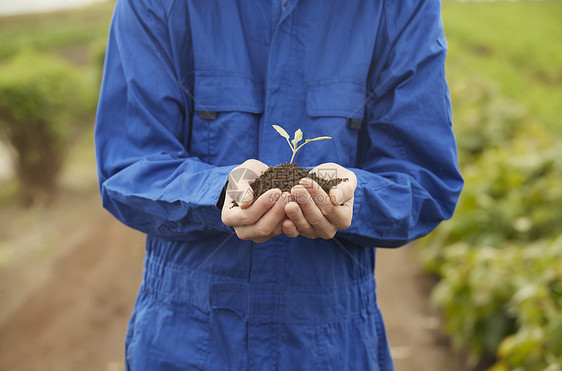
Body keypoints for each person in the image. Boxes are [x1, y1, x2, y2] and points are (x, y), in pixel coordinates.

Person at [95, 0, 463, 369]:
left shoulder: (399, 7)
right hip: (186, 343)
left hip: (331, 346)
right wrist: (219, 191)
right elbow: (129, 164)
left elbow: (424, 180)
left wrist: (356, 195)